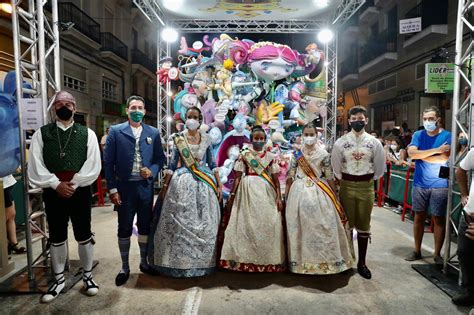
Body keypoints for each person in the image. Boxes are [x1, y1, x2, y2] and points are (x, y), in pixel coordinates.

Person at [28, 90, 101, 302]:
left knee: (84, 232)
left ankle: (88, 276)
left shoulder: (87, 133)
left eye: (68, 103)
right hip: (53, 191)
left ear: (75, 108)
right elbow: (35, 165)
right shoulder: (42, 134)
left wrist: (75, 183)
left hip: (80, 190)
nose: (64, 106)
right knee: (57, 234)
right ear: (53, 109)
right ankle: (59, 279)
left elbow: (93, 163)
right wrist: (55, 184)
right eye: (59, 103)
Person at [149, 107, 222, 277]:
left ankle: (203, 262)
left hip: (204, 183)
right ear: (185, 118)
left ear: (200, 120)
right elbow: (172, 165)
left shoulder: (207, 139)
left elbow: (213, 164)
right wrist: (165, 187)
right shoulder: (178, 139)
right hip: (181, 183)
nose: (192, 119)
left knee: (205, 223)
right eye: (189, 116)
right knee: (179, 223)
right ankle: (178, 262)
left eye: (195, 117)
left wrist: (218, 184)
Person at [104, 95, 166, 286]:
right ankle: (124, 267)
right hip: (124, 189)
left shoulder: (153, 132)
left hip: (145, 188)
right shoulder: (115, 131)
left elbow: (160, 159)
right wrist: (112, 189)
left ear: (145, 111)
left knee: (145, 227)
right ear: (127, 110)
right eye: (133, 107)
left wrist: (152, 171)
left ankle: (143, 262)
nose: (136, 110)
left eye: (140, 107)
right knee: (124, 227)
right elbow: (108, 163)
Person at [285, 123, 354, 274]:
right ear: (302, 136)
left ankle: (325, 261)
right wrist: (286, 193)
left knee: (323, 225)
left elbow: (329, 175)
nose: (309, 137)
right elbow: (290, 174)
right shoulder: (297, 154)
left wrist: (334, 194)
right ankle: (300, 262)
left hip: (319, 190)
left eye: (312, 134)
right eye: (306, 134)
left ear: (317, 136)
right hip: (298, 190)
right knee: (298, 226)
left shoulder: (324, 154)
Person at [219, 126, 286, 272]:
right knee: (245, 224)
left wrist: (279, 198)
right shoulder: (244, 155)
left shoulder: (270, 157)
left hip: (266, 193)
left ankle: (267, 262)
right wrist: (232, 195)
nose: (259, 141)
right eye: (256, 138)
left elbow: (275, 180)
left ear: (265, 140)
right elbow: (237, 178)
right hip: (246, 190)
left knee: (267, 223)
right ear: (251, 139)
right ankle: (243, 261)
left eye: (262, 138)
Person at [331, 106, 385, 279]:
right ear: (349, 121)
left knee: (363, 225)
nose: (357, 122)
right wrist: (346, 179)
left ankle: (362, 263)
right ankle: (346, 261)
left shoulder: (374, 143)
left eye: (360, 118)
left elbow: (380, 168)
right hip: (346, 185)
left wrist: (366, 179)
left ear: (366, 120)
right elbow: (336, 166)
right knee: (346, 224)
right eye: (353, 119)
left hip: (366, 187)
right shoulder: (340, 142)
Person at [405, 106, 451, 263]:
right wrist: (436, 150)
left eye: (430, 119)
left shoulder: (447, 135)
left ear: (438, 119)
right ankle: (417, 250)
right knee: (419, 216)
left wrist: (421, 155)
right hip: (420, 183)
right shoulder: (418, 134)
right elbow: (411, 153)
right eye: (425, 119)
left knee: (439, 218)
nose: (427, 122)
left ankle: (437, 254)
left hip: (440, 183)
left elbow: (444, 157)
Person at [454, 148, 474, 306]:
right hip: (469, 214)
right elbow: (460, 171)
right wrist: (464, 194)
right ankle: (470, 291)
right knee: (464, 252)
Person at [3, 174, 26, 256]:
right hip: (3, 184)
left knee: (12, 214)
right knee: (4, 217)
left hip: (6, 181)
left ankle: (13, 243)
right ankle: (4, 246)